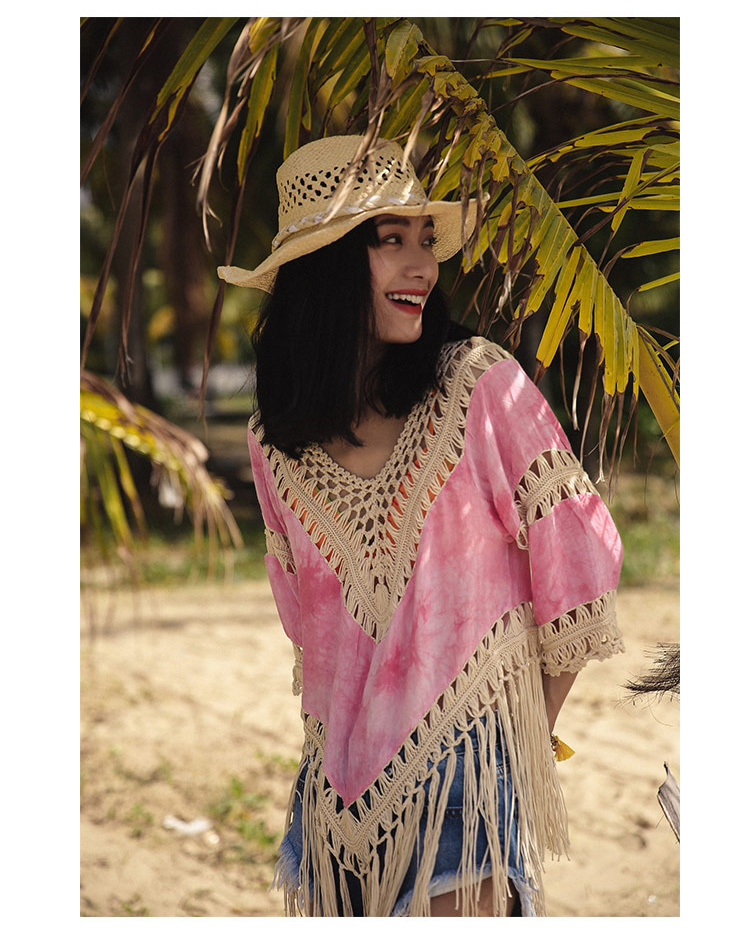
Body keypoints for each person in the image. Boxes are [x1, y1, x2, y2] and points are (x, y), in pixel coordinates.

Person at [218, 135, 624, 917]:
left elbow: (582, 553)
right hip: (329, 809)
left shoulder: (480, 386)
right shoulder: (274, 441)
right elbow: (310, 630)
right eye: (390, 240)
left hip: (464, 792)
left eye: (425, 239)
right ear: (326, 269)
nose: (422, 266)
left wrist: (522, 745)